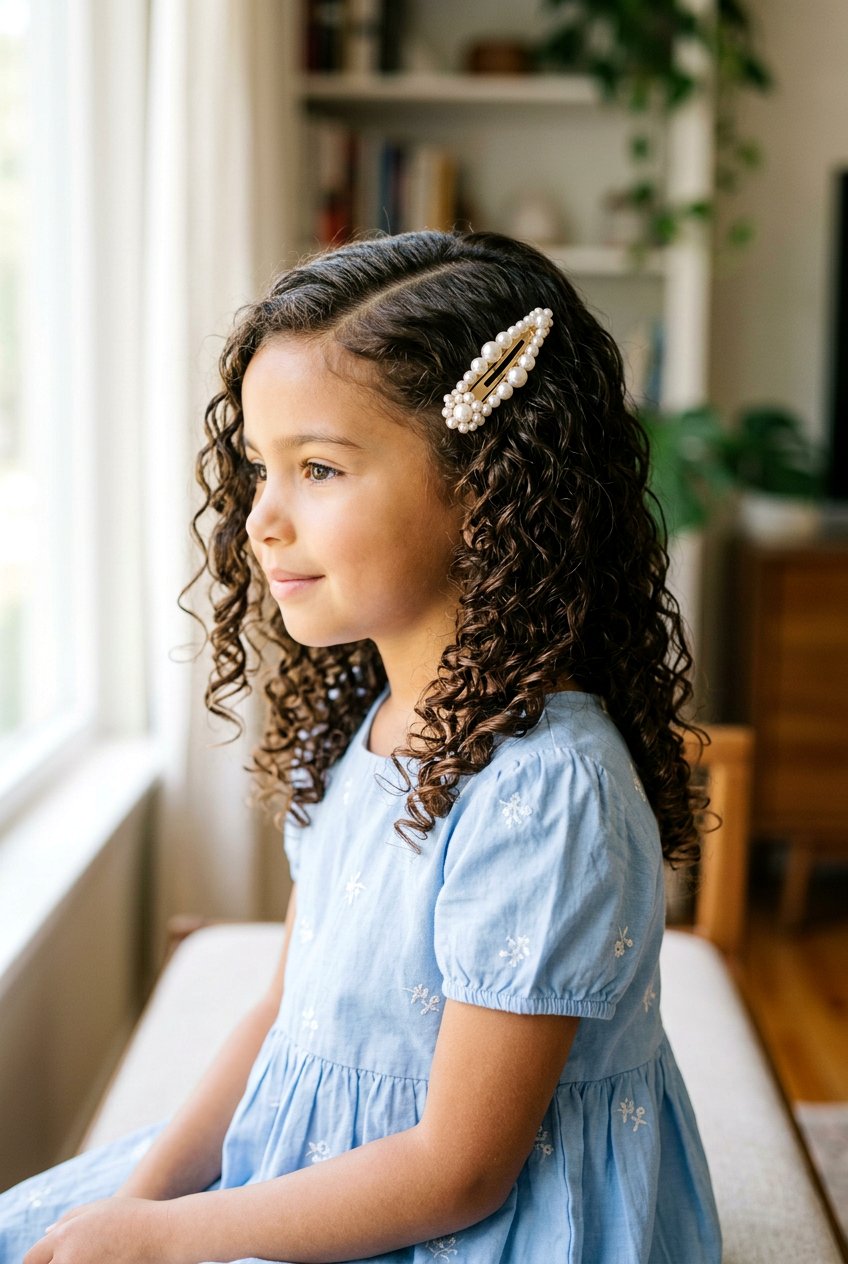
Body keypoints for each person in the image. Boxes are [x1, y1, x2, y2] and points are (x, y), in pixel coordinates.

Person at [1, 227, 722, 1263]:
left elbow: (458, 1168)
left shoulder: (547, 788)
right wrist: (144, 1203)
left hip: (471, 1222)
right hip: (327, 1170)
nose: (260, 519)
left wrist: (169, 1243)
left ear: (483, 488)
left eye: (320, 468)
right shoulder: (367, 720)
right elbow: (284, 1011)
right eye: (258, 466)